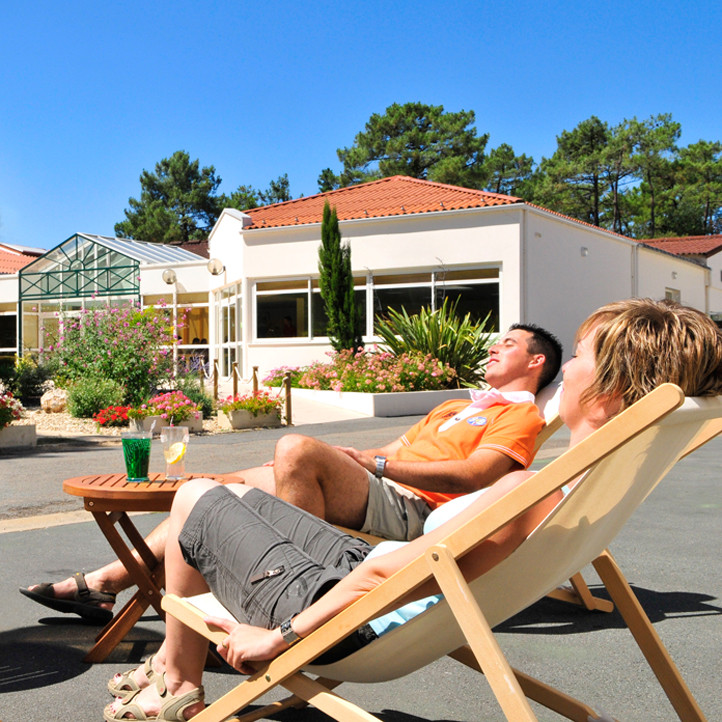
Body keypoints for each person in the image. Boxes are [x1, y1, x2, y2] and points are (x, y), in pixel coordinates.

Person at [101, 298, 722, 720]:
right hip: (365, 574)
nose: (568, 371)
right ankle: (172, 675)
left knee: (193, 496)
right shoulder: (577, 490)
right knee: (233, 491)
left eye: (580, 357)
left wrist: (279, 638)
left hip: (343, 611)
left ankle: (176, 684)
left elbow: (387, 578)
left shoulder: (527, 491)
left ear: (608, 394)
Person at [22, 324, 562, 624]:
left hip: (415, 510)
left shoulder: (520, 413)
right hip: (381, 487)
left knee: (294, 448)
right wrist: (352, 457)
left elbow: (475, 475)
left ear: (537, 363)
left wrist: (362, 463)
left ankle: (289, 589)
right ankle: (107, 582)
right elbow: (392, 447)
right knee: (210, 487)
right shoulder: (453, 406)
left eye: (509, 344)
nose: (494, 348)